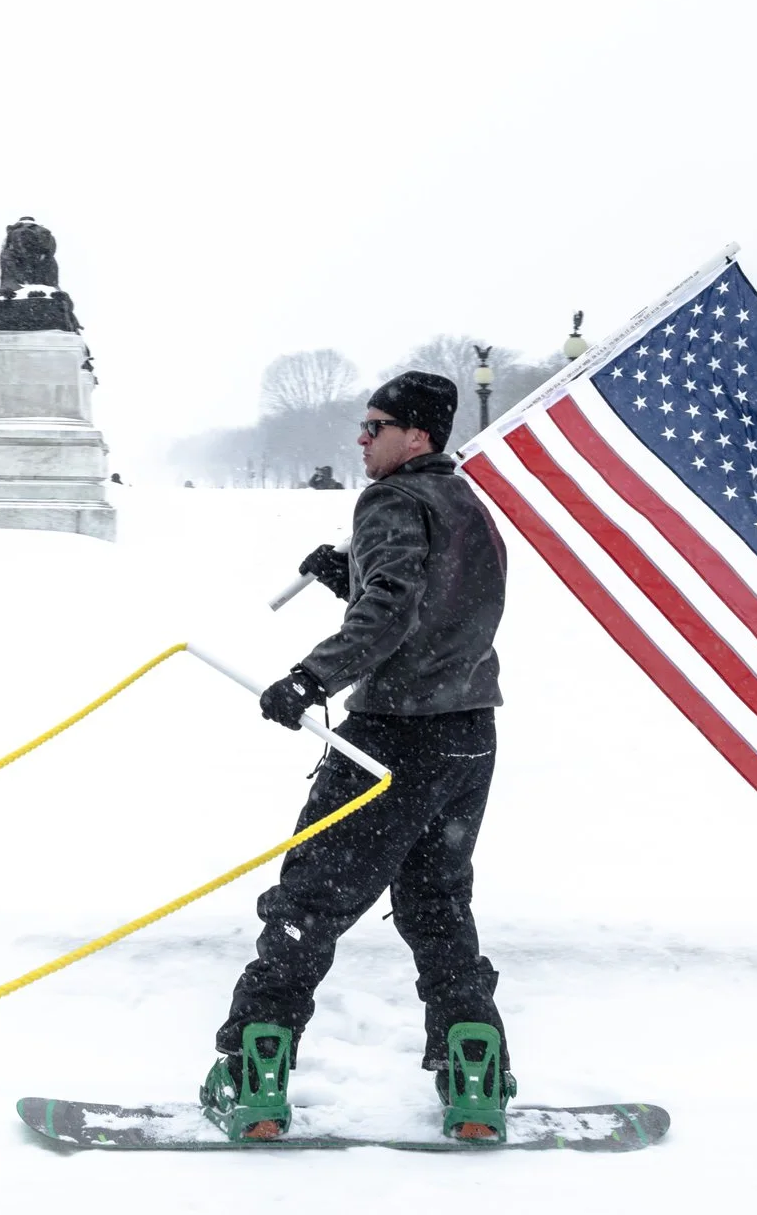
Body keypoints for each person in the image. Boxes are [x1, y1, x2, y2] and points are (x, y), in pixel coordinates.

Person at [204, 371, 513, 1144]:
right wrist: (353, 578)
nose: (362, 438)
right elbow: (442, 606)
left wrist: (312, 678)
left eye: (376, 427)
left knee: (309, 905)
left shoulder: (391, 501)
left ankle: (252, 1073)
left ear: (418, 436)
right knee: (438, 907)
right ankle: (474, 1077)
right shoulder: (467, 503)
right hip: (468, 736)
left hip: (394, 738)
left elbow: (394, 607)